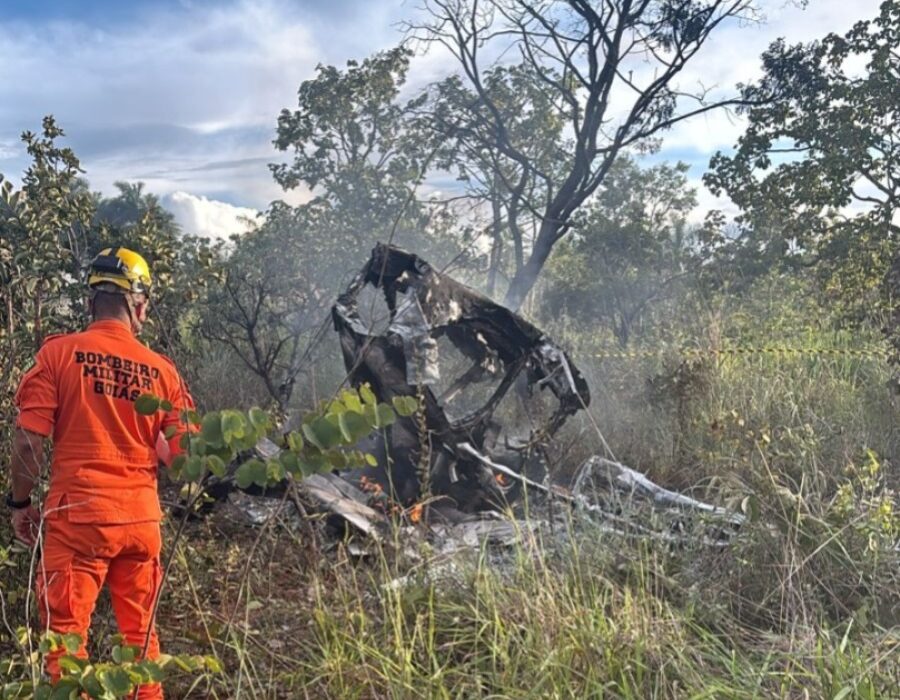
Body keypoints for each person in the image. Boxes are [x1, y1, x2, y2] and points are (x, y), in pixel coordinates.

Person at [7, 247, 193, 699]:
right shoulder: (163, 371)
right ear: (140, 305)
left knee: (67, 640)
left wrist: (20, 503)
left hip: (78, 520)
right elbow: (184, 458)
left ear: (91, 302)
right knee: (141, 640)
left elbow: (30, 441)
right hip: (141, 523)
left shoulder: (58, 354)